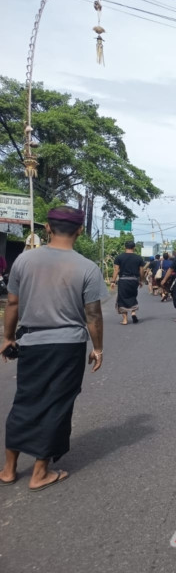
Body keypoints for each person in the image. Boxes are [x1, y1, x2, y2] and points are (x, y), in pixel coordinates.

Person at [0, 206, 105, 491]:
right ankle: (40, 473)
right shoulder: (88, 267)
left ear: (47, 227)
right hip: (68, 346)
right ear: (80, 230)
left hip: (31, 343)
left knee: (25, 401)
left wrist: (7, 338)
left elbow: (13, 303)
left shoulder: (24, 260)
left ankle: (8, 469)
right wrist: (98, 348)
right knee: (57, 404)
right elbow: (93, 315)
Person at [110, 240, 145, 325]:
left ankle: (125, 320)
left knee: (122, 298)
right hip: (134, 280)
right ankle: (133, 313)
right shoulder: (138, 258)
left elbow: (116, 270)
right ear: (134, 248)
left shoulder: (119, 257)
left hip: (123, 280)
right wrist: (141, 280)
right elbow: (141, 271)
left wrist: (113, 281)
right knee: (132, 296)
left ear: (124, 247)